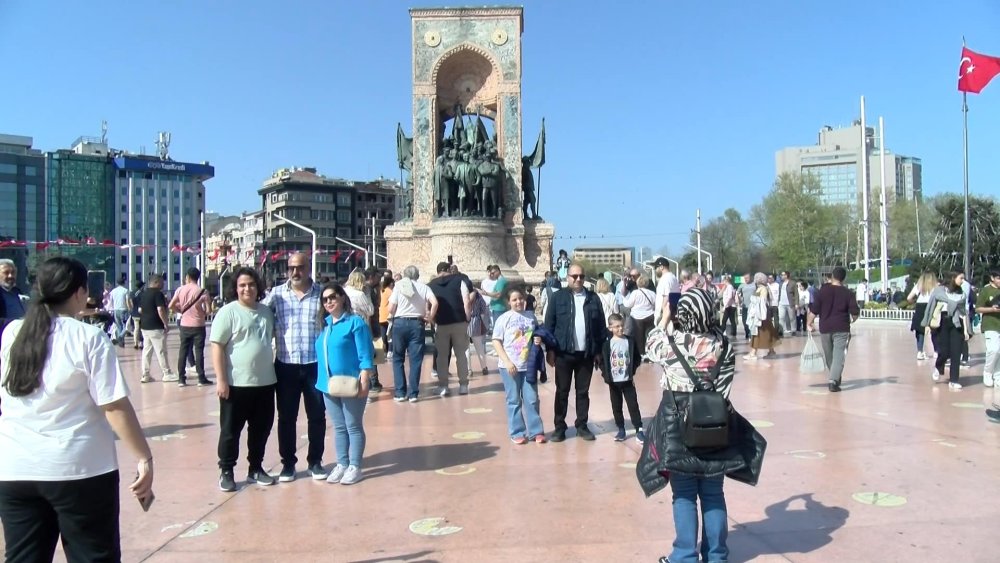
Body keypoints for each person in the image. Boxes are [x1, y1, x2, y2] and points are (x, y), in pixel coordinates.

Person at [0, 257, 154, 561]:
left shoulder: (12, 333)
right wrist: (144, 457)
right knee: (92, 555)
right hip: (79, 471)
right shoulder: (89, 337)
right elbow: (114, 407)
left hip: (16, 469)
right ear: (79, 292)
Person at [647, 288, 736, 563]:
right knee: (713, 493)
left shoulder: (670, 344)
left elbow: (650, 343)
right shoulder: (724, 345)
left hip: (678, 427)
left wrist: (664, 317)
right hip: (717, 425)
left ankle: (684, 556)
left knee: (684, 494)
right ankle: (716, 556)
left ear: (681, 314)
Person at [261, 253, 327, 482]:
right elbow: (258, 316)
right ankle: (288, 464)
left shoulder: (321, 295)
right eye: (291, 268)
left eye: (300, 267)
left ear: (309, 267)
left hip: (314, 365)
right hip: (286, 366)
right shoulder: (277, 295)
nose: (295, 272)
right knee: (286, 417)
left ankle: (315, 462)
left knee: (317, 415)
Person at [211, 267, 278, 491]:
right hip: (236, 384)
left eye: (250, 284)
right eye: (242, 285)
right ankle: (227, 470)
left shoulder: (266, 312)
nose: (247, 289)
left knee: (261, 428)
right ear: (235, 288)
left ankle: (255, 468)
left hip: (265, 382)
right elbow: (217, 347)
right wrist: (221, 380)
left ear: (257, 286)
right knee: (231, 430)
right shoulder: (228, 312)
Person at [315, 282, 374, 485]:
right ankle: (342, 463)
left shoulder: (355, 323)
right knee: (339, 427)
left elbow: (365, 353)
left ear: (342, 297)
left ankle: (355, 466)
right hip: (328, 384)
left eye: (332, 297)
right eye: (325, 299)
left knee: (353, 426)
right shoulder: (325, 324)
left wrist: (365, 376)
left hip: (351, 382)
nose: (329, 301)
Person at [543, 263, 606, 442]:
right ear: (567, 277)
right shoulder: (557, 298)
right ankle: (560, 427)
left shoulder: (593, 298)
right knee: (562, 391)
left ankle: (582, 425)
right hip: (564, 353)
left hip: (585, 354)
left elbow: (600, 326)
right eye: (574, 276)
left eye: (581, 276)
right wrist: (550, 350)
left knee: (582, 392)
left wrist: (598, 351)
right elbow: (549, 325)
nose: (578, 279)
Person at [492, 288, 547, 444]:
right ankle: (517, 432)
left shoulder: (530, 317)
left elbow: (536, 334)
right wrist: (507, 362)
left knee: (531, 399)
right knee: (514, 400)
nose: (518, 302)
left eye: (521, 298)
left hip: (527, 364)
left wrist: (538, 339)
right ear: (508, 302)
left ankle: (536, 431)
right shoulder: (504, 319)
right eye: (514, 299)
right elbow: (496, 341)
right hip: (509, 366)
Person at [388, 265, 438, 402]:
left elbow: (391, 308)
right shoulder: (424, 287)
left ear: (405, 275)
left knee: (398, 358)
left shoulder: (398, 286)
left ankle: (400, 392)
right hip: (417, 323)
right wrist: (430, 317)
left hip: (400, 323)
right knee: (415, 360)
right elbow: (435, 302)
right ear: (418, 275)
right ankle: (413, 393)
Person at [807, 266, 860, 392]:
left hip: (825, 327)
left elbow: (814, 310)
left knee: (829, 355)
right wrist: (853, 319)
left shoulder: (822, 292)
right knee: (838, 355)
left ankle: (834, 377)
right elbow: (855, 312)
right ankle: (833, 380)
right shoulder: (848, 293)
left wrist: (809, 323)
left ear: (832, 276)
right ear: (843, 278)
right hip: (841, 327)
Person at [428, 261, 472, 396]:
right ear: (449, 269)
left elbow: (429, 306)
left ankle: (444, 386)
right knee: (461, 355)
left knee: (442, 356)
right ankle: (463, 385)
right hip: (459, 321)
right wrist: (467, 318)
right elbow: (467, 301)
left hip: (441, 324)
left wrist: (433, 321)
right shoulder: (460, 280)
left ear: (438, 271)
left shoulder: (431, 285)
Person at [600, 313, 644, 443]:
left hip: (627, 381)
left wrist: (632, 370)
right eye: (617, 326)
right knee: (616, 406)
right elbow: (603, 361)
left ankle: (639, 429)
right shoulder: (607, 345)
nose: (620, 329)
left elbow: (637, 357)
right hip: (614, 382)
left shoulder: (629, 341)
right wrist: (606, 375)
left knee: (633, 405)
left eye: (622, 326)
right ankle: (621, 429)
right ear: (610, 328)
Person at [922, 271, 970, 391]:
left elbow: (963, 313)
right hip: (943, 322)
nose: (962, 281)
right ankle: (939, 366)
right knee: (944, 351)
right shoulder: (939, 291)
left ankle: (954, 380)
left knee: (956, 352)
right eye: (961, 278)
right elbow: (931, 306)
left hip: (957, 323)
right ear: (953, 278)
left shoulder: (962, 294)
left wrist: (966, 331)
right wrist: (927, 324)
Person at [169, 268, 212, 387]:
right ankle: (201, 378)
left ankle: (181, 379)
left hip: (184, 325)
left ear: (187, 276)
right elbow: (209, 311)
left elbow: (171, 305)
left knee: (183, 351)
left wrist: (180, 310)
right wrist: (202, 312)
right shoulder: (203, 291)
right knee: (199, 352)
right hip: (199, 325)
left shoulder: (180, 289)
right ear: (198, 277)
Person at [139, 275, 178, 384]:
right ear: (156, 282)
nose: (163, 284)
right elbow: (160, 309)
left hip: (145, 326)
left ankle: (145, 374)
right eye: (161, 282)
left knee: (146, 352)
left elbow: (140, 310)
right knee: (161, 350)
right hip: (156, 326)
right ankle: (167, 373)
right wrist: (166, 323)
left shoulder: (144, 293)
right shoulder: (158, 294)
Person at [744, 272, 779, 361]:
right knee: (767, 333)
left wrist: (761, 315)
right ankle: (771, 351)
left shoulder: (763, 289)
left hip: (761, 315)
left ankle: (753, 353)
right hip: (762, 315)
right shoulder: (761, 288)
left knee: (758, 333)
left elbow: (762, 302)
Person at [622, 274, 656, 360]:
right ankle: (650, 352)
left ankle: (641, 354)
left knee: (639, 337)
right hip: (650, 316)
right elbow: (656, 304)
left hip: (637, 318)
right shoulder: (652, 293)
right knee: (649, 336)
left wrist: (624, 298)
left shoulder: (635, 293)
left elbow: (628, 304)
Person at [975, 270, 1000, 388]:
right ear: (992, 278)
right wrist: (992, 309)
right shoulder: (986, 290)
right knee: (993, 350)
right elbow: (978, 308)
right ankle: (988, 372)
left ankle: (998, 376)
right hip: (990, 324)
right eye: (999, 278)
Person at [907, 272, 938, 360]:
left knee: (920, 331)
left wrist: (914, 302)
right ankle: (936, 351)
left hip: (920, 307)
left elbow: (909, 298)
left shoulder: (919, 285)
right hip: (931, 306)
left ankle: (920, 352)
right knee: (934, 329)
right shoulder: (935, 286)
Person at [467, 288, 491, 376]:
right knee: (479, 346)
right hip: (475, 320)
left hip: (464, 321)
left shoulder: (462, 295)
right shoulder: (478, 295)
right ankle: (484, 367)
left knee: (466, 348)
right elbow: (483, 307)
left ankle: (469, 369)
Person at [0, 259, 26, 335]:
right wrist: (16, 323)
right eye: (6, 273)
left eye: (13, 272)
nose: (10, 276)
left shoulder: (16, 291)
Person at [653, 258, 681, 323]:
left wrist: (662, 315)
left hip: (664, 316)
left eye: (656, 268)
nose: (655, 270)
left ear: (661, 267)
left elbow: (666, 297)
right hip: (672, 313)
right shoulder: (674, 278)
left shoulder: (664, 279)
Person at [107, 278, 130, 347]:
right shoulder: (125, 290)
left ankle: (121, 342)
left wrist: (110, 309)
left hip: (115, 310)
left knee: (119, 326)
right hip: (124, 309)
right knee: (126, 326)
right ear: (124, 283)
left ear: (117, 283)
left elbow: (111, 301)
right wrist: (129, 309)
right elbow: (127, 301)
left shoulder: (113, 291)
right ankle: (120, 336)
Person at [778, 271, 799, 337]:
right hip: (781, 303)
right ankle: (781, 331)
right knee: (781, 317)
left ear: (787, 275)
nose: (782, 276)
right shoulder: (781, 284)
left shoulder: (792, 283)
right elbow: (779, 293)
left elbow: (796, 294)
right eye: (781, 275)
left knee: (792, 317)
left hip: (790, 303)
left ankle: (793, 330)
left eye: (783, 275)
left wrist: (796, 303)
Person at [378, 275, 394, 359]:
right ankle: (390, 351)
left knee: (383, 336)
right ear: (391, 283)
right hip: (388, 316)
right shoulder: (390, 291)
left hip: (381, 316)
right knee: (390, 335)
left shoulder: (381, 290)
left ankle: (384, 351)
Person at [127, 280, 145, 349]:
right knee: (142, 329)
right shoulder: (142, 293)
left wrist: (131, 308)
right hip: (142, 313)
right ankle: (141, 343)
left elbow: (129, 301)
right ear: (142, 286)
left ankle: (135, 343)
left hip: (134, 312)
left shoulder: (132, 293)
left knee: (136, 328)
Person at [738, 273, 756, 340]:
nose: (746, 279)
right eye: (745, 278)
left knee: (752, 322)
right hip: (745, 306)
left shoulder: (754, 284)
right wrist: (739, 300)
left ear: (750, 277)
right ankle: (747, 332)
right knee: (744, 321)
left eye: (747, 278)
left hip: (753, 307)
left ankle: (751, 334)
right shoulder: (742, 285)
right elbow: (737, 294)